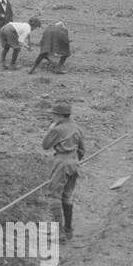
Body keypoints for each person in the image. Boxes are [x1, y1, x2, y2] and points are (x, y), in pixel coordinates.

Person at [42, 101, 85, 240]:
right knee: (66, 196)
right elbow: (82, 150)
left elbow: (45, 145)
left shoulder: (57, 129)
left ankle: (58, 233)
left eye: (53, 115)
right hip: (74, 163)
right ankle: (68, 230)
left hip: (61, 163)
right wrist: (74, 160)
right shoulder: (77, 128)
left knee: (54, 196)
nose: (52, 117)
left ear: (59, 116)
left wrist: (51, 129)